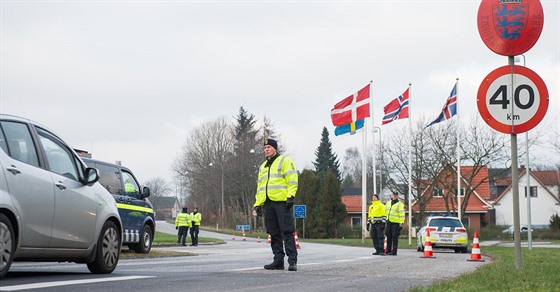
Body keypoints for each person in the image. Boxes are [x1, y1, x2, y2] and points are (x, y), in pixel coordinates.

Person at [254, 138, 299, 271]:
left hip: (281, 202)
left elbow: (292, 179)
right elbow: (260, 187)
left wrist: (291, 196)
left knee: (287, 231)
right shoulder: (263, 166)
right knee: (273, 233)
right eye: (265, 148)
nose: (266, 149)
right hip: (268, 203)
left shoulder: (284, 161)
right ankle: (278, 260)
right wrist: (258, 204)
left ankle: (292, 261)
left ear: (275, 148)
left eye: (269, 147)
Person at [385, 191, 405, 255]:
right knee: (388, 236)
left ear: (397, 196)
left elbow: (402, 214)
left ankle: (394, 251)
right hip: (388, 221)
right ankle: (388, 250)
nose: (394, 196)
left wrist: (401, 223)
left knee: (395, 237)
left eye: (396, 195)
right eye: (394, 195)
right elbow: (385, 212)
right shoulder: (388, 203)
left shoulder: (400, 204)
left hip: (395, 222)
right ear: (392, 195)